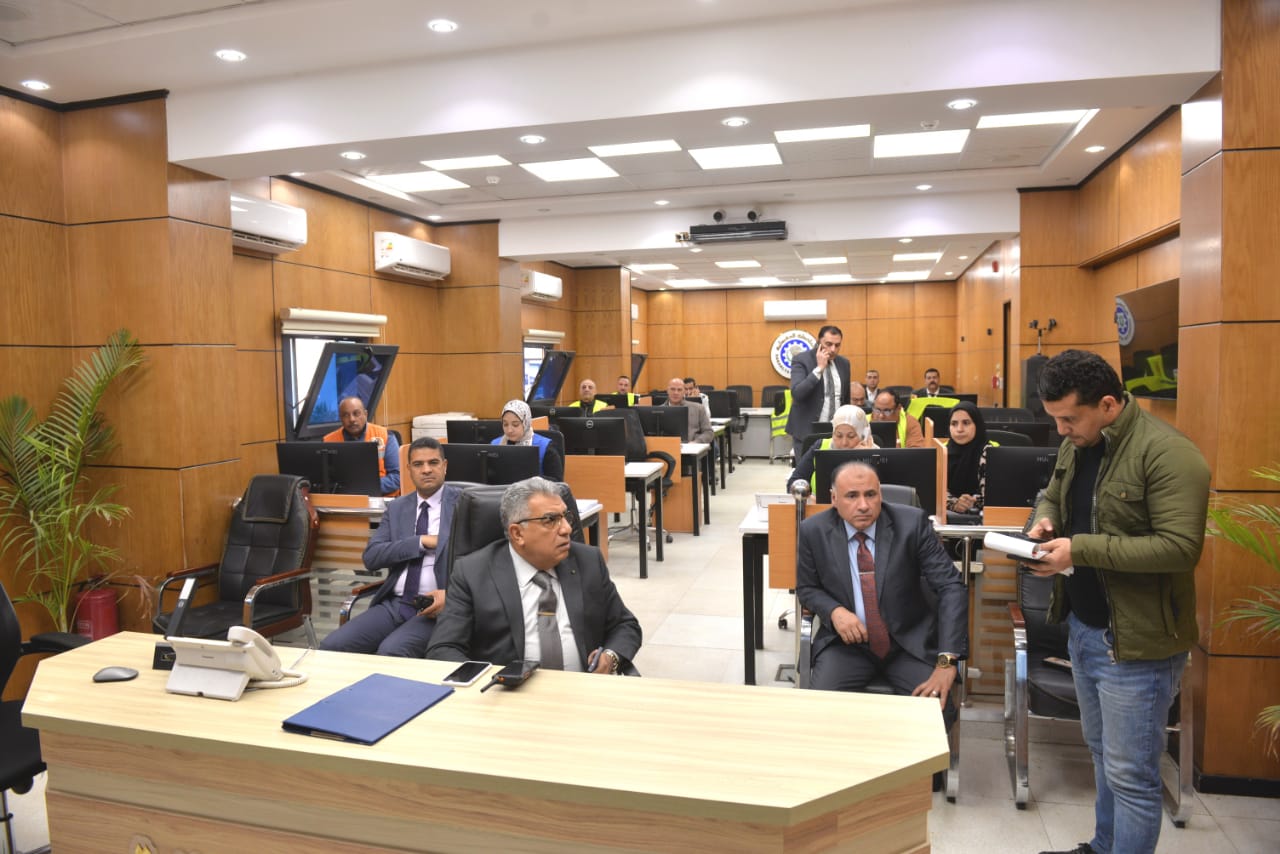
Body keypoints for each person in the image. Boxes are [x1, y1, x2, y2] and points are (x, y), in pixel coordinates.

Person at [1029, 350, 1209, 854]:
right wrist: (1045, 520)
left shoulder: (1169, 454)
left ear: (1108, 404)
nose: (1061, 430)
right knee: (1103, 756)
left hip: (1137, 645)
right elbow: (1052, 493)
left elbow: (1180, 548)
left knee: (1132, 775)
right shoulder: (1079, 443)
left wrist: (1079, 549)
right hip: (1085, 629)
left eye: (1070, 418)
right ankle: (1103, 845)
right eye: (1055, 419)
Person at [797, 462, 967, 731]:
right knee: (820, 711)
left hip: (907, 644)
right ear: (834, 499)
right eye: (852, 496)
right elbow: (807, 588)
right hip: (846, 646)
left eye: (871, 494)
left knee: (938, 711)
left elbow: (951, 586)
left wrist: (946, 663)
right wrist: (834, 611)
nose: (863, 505)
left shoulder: (912, 524)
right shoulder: (813, 531)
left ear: (880, 495)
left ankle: (916, 761)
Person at [427, 477, 642, 673]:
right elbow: (443, 648)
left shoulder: (588, 561)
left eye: (565, 517)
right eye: (550, 520)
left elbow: (625, 625)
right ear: (517, 533)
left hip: (584, 689)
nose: (567, 529)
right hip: (508, 696)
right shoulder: (472, 573)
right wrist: (492, 682)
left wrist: (611, 657)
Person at [320, 438, 458, 656]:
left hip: (437, 605)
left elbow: (482, 563)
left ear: (445, 465)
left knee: (391, 651)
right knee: (331, 647)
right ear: (409, 470)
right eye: (418, 464)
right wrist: (420, 542)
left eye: (433, 462)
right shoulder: (397, 508)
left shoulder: (464, 504)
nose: (426, 470)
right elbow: (372, 557)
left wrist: (452, 596)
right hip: (396, 603)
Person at [786, 325, 852, 458]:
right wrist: (819, 369)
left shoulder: (844, 363)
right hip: (807, 432)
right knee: (807, 470)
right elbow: (797, 393)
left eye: (837, 345)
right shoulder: (802, 360)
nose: (833, 349)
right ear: (819, 342)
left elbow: (845, 399)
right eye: (828, 344)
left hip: (836, 432)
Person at [785, 404, 877, 493]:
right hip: (818, 503)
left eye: (851, 436)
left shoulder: (874, 453)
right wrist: (809, 498)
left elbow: (880, 493)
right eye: (839, 435)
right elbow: (793, 484)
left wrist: (865, 458)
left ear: (863, 436)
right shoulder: (820, 446)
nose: (844, 443)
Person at [323, 395, 400, 496]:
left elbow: (398, 477)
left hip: (382, 498)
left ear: (365, 414)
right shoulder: (328, 441)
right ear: (340, 418)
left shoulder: (386, 436)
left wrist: (364, 487)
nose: (351, 419)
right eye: (345, 415)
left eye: (356, 413)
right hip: (344, 499)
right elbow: (325, 479)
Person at [491, 399, 563, 482]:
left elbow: (558, 483)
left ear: (526, 422)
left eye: (515, 425)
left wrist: (532, 478)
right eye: (505, 424)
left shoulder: (545, 447)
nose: (509, 430)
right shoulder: (495, 444)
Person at [944, 401, 993, 517]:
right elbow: (935, 492)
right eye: (954, 424)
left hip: (984, 518)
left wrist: (973, 502)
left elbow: (994, 495)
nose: (959, 429)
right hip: (947, 519)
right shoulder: (943, 452)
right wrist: (953, 503)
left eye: (966, 423)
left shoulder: (989, 453)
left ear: (977, 425)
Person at [664, 376, 713, 443]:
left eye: (679, 390)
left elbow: (708, 432)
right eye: (672, 389)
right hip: (666, 447)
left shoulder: (698, 408)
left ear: (684, 392)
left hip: (692, 447)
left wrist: (696, 442)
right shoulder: (658, 411)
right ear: (667, 390)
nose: (676, 393)